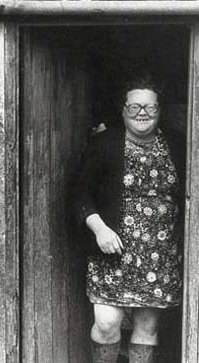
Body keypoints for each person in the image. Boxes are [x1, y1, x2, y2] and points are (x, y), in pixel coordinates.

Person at [74, 75, 185, 363]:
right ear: (123, 110)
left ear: (160, 110)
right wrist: (99, 229)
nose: (142, 113)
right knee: (107, 323)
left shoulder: (177, 144)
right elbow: (79, 194)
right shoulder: (104, 144)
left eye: (150, 107)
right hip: (112, 251)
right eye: (134, 106)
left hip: (159, 255)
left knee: (147, 327)